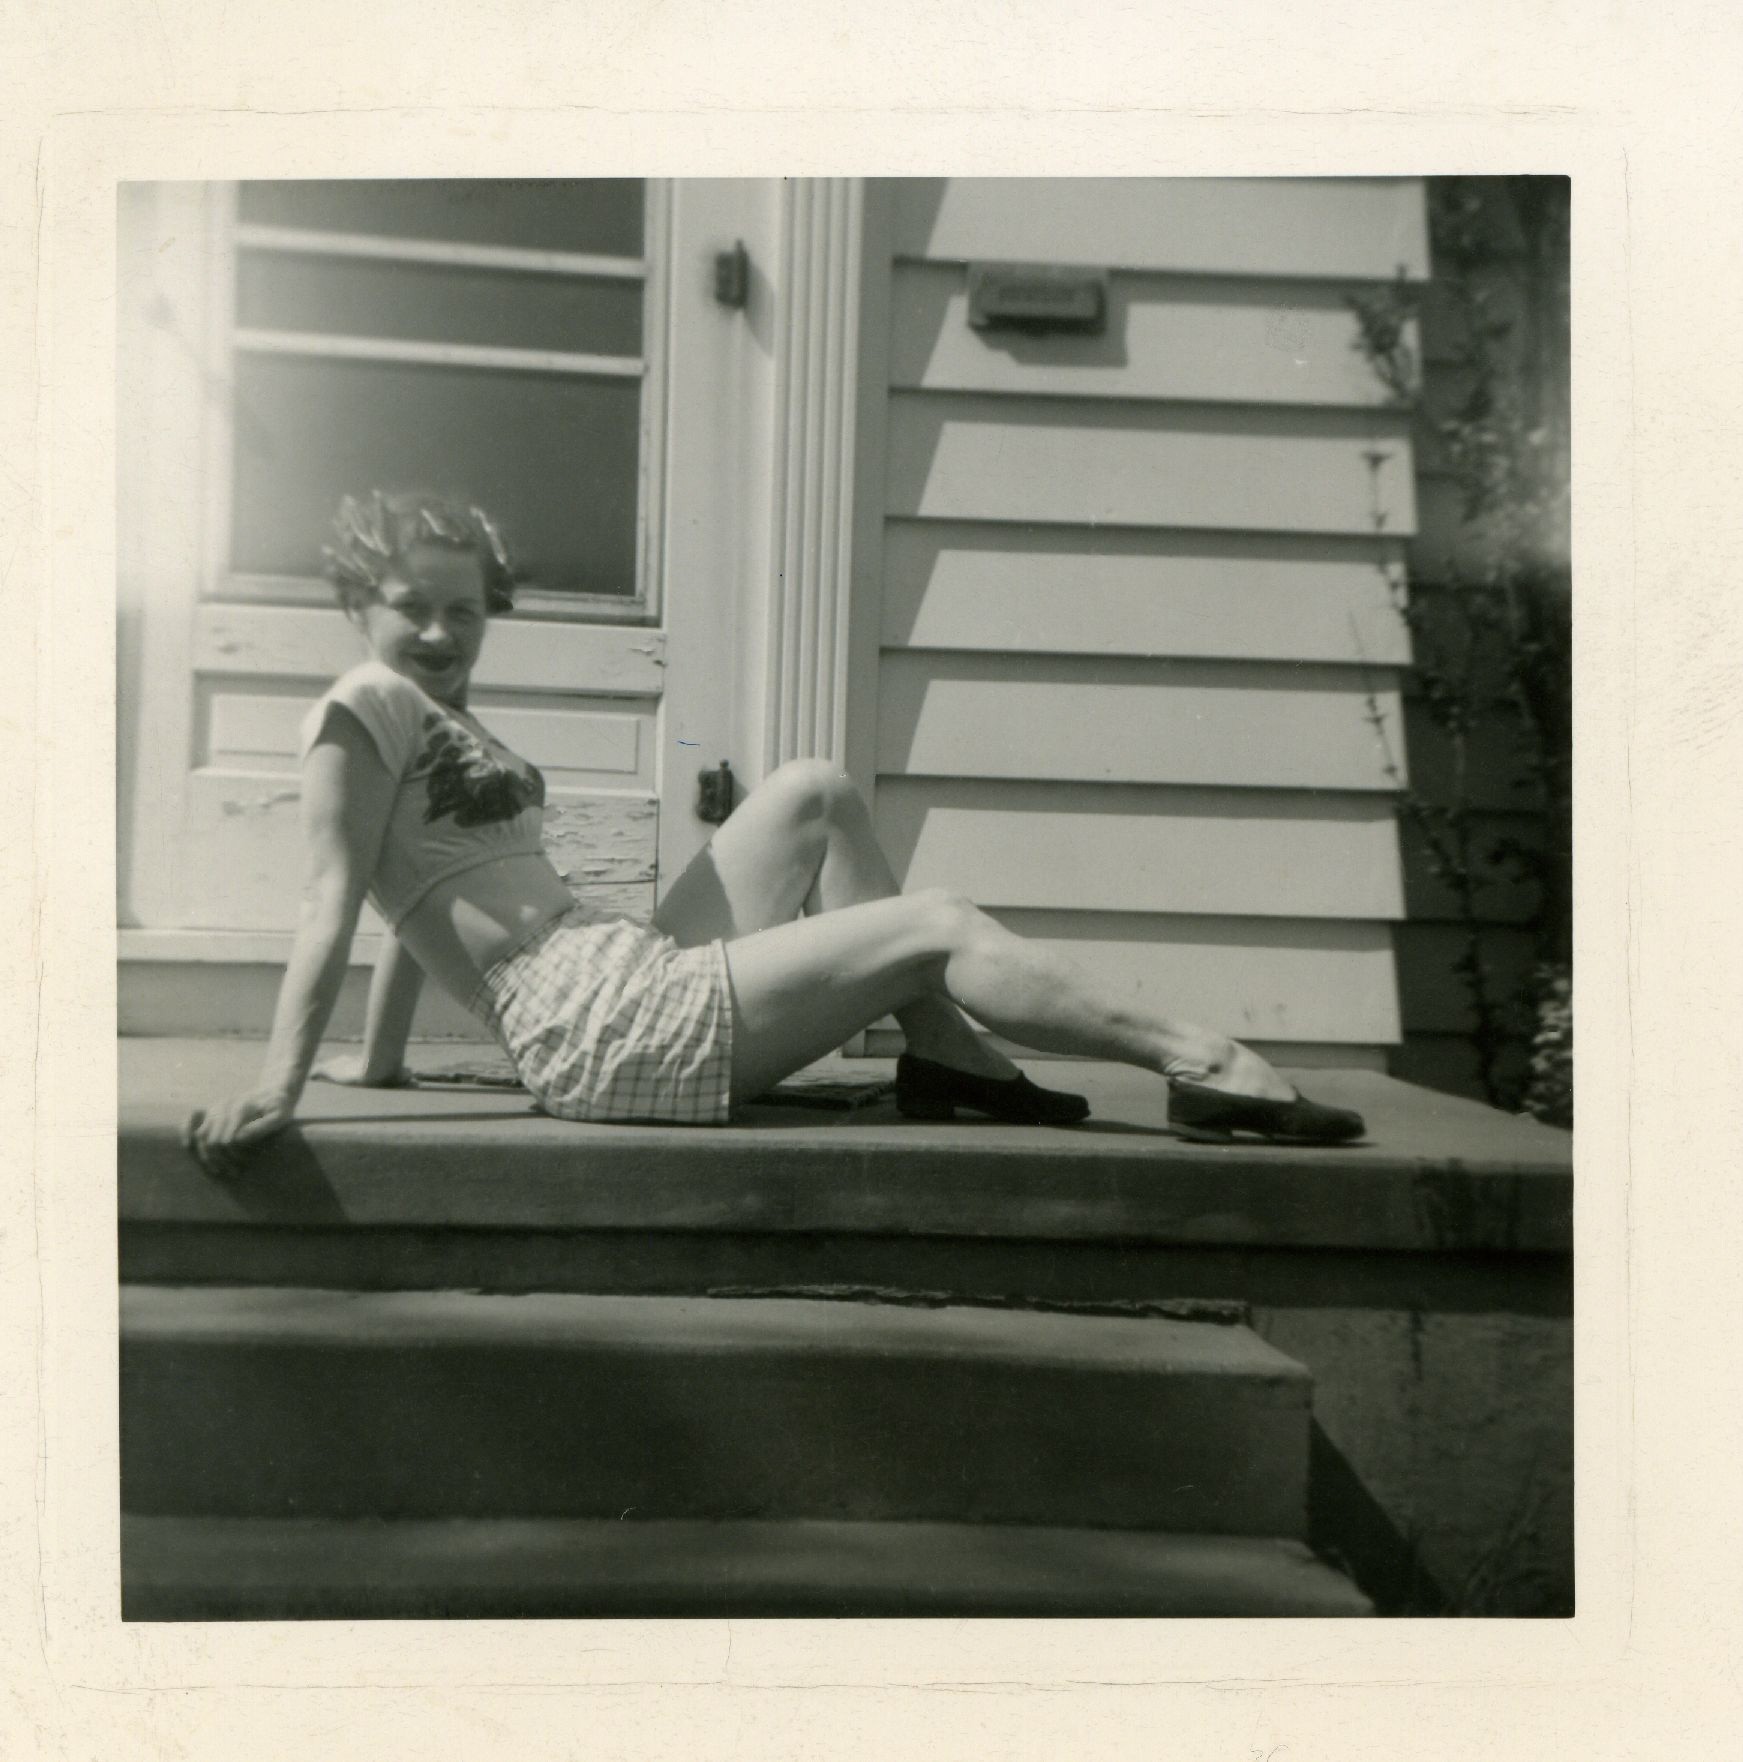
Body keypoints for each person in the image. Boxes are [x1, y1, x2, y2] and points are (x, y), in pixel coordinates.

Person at [184, 491, 1364, 1175]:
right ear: (357, 605)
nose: (441, 633)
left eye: (464, 609)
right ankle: (1205, 1064)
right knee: (940, 922)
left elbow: (410, 903)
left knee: (812, 789)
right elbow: (336, 896)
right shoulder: (362, 703)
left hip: (616, 972)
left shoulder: (441, 715)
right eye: (411, 608)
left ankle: (945, 1055)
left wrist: (382, 1063)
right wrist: (279, 1084)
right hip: (597, 1029)